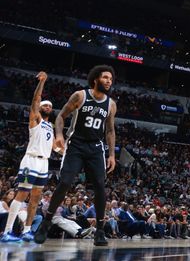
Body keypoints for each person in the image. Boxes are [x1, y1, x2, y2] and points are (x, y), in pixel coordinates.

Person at [35, 65, 117, 246]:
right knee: (65, 182)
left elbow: (110, 130)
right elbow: (61, 116)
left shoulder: (111, 104)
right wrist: (59, 135)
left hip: (96, 148)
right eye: (105, 78)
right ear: (95, 79)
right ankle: (46, 222)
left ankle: (100, 231)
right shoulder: (80, 95)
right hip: (76, 145)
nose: (108, 81)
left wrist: (111, 154)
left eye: (110, 79)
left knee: (100, 187)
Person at [1, 72, 54, 243]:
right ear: (39, 109)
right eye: (45, 105)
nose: (48, 107)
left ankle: (27, 230)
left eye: (50, 106)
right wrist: (42, 83)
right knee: (22, 194)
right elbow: (35, 100)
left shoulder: (50, 126)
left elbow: (55, 146)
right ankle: (7, 231)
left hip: (44, 163)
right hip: (30, 160)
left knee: (36, 199)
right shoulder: (35, 120)